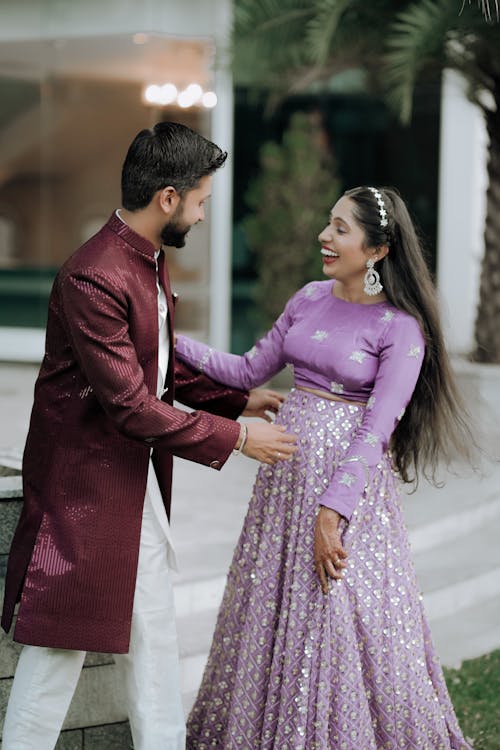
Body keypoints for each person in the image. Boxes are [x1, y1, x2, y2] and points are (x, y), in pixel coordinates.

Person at [0, 121, 297, 750]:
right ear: (168, 197)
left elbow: (158, 362)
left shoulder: (144, 259)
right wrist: (237, 437)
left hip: (130, 488)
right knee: (58, 657)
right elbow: (132, 405)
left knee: (154, 639)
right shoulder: (95, 275)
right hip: (84, 495)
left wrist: (240, 398)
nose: (203, 213)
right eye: (200, 201)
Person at [174, 186, 476, 750]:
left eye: (340, 228)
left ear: (378, 250)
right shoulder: (310, 297)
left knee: (332, 619)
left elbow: (376, 430)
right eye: (328, 223)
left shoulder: (400, 330)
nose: (324, 236)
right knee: (271, 608)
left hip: (346, 494)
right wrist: (167, 342)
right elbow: (244, 371)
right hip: (284, 485)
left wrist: (332, 510)